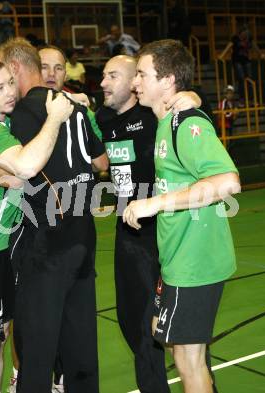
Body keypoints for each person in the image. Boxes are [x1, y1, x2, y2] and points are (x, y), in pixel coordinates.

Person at [0, 37, 108, 393]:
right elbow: (25, 167)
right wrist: (57, 117)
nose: (10, 92)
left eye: (10, 84)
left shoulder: (2, 125)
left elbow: (8, 173)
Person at [123, 39, 240, 393]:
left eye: (142, 74)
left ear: (168, 80)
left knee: (188, 361)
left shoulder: (184, 123)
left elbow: (228, 181)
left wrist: (155, 204)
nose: (135, 82)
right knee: (176, 344)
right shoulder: (164, 121)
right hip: (177, 259)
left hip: (196, 263)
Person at [96, 54, 209, 393]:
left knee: (177, 333)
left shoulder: (153, 115)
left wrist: (193, 97)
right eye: (103, 75)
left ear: (134, 82)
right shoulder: (101, 118)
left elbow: (191, 109)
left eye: (112, 76)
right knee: (132, 323)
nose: (103, 82)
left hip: (164, 235)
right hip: (127, 234)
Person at [219, 26, 265, 104]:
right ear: (240, 33)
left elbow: (254, 46)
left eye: (247, 34)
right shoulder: (235, 38)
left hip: (246, 61)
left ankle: (252, 99)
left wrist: (261, 54)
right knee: (241, 79)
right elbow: (229, 46)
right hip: (237, 61)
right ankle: (242, 99)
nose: (245, 36)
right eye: (244, 34)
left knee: (250, 79)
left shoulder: (249, 38)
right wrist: (222, 55)